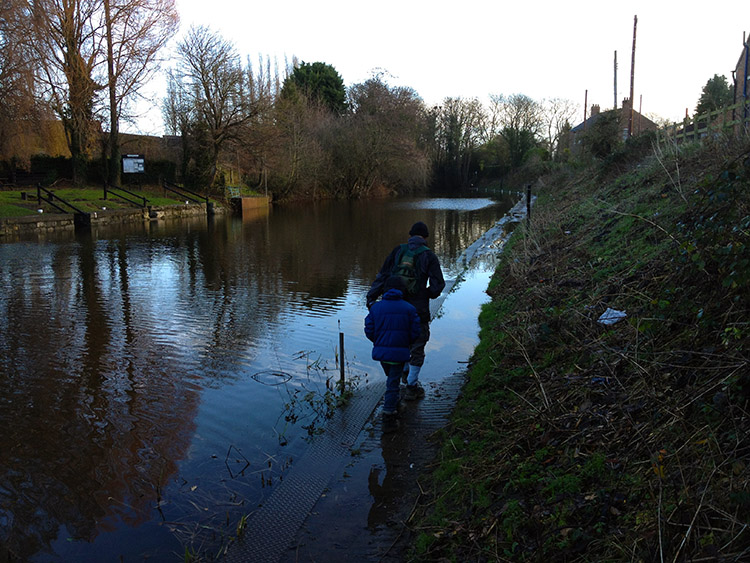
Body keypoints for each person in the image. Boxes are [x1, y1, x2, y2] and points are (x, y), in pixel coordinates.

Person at [366, 221, 445, 401]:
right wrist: (427, 294)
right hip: (417, 308)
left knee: (397, 341)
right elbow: (437, 285)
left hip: (393, 305)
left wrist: (371, 297)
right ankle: (411, 386)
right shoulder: (429, 255)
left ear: (410, 236)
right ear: (425, 238)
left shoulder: (398, 251)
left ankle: (402, 376)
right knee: (418, 344)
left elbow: (382, 275)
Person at [364, 276, 421, 432]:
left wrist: (378, 341)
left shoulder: (376, 308)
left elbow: (369, 329)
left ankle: (395, 404)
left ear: (385, 290)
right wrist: (405, 342)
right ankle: (388, 415)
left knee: (392, 379)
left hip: (382, 353)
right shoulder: (409, 309)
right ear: (402, 290)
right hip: (400, 352)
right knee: (393, 383)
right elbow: (415, 331)